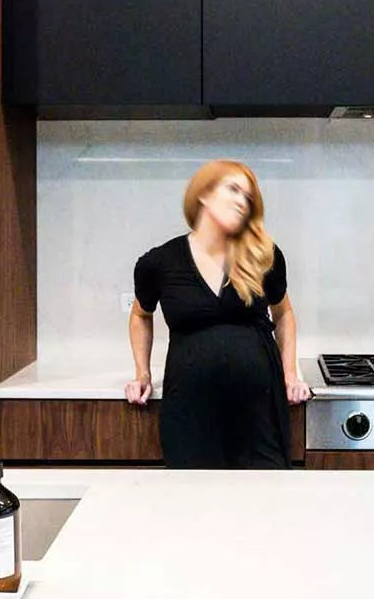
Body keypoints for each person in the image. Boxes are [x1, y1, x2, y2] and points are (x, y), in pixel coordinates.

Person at [125, 160, 310, 468]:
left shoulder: (263, 255)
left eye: (248, 197)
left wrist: (289, 372)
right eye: (233, 189)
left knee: (265, 504)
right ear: (203, 194)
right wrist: (141, 373)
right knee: (197, 506)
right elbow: (141, 315)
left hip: (258, 411)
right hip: (189, 412)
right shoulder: (159, 263)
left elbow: (284, 315)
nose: (242, 201)